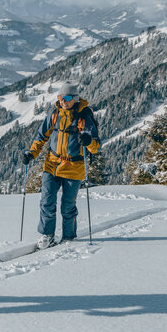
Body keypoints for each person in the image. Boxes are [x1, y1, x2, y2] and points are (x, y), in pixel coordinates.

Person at [23, 80, 101, 249]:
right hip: (52, 163)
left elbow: (96, 147)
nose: (62, 100)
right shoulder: (54, 114)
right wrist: (31, 154)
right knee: (46, 201)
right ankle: (47, 235)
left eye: (66, 97)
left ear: (75, 98)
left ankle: (68, 237)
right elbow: (41, 137)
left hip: (74, 167)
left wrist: (88, 140)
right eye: (60, 97)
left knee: (68, 206)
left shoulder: (84, 118)